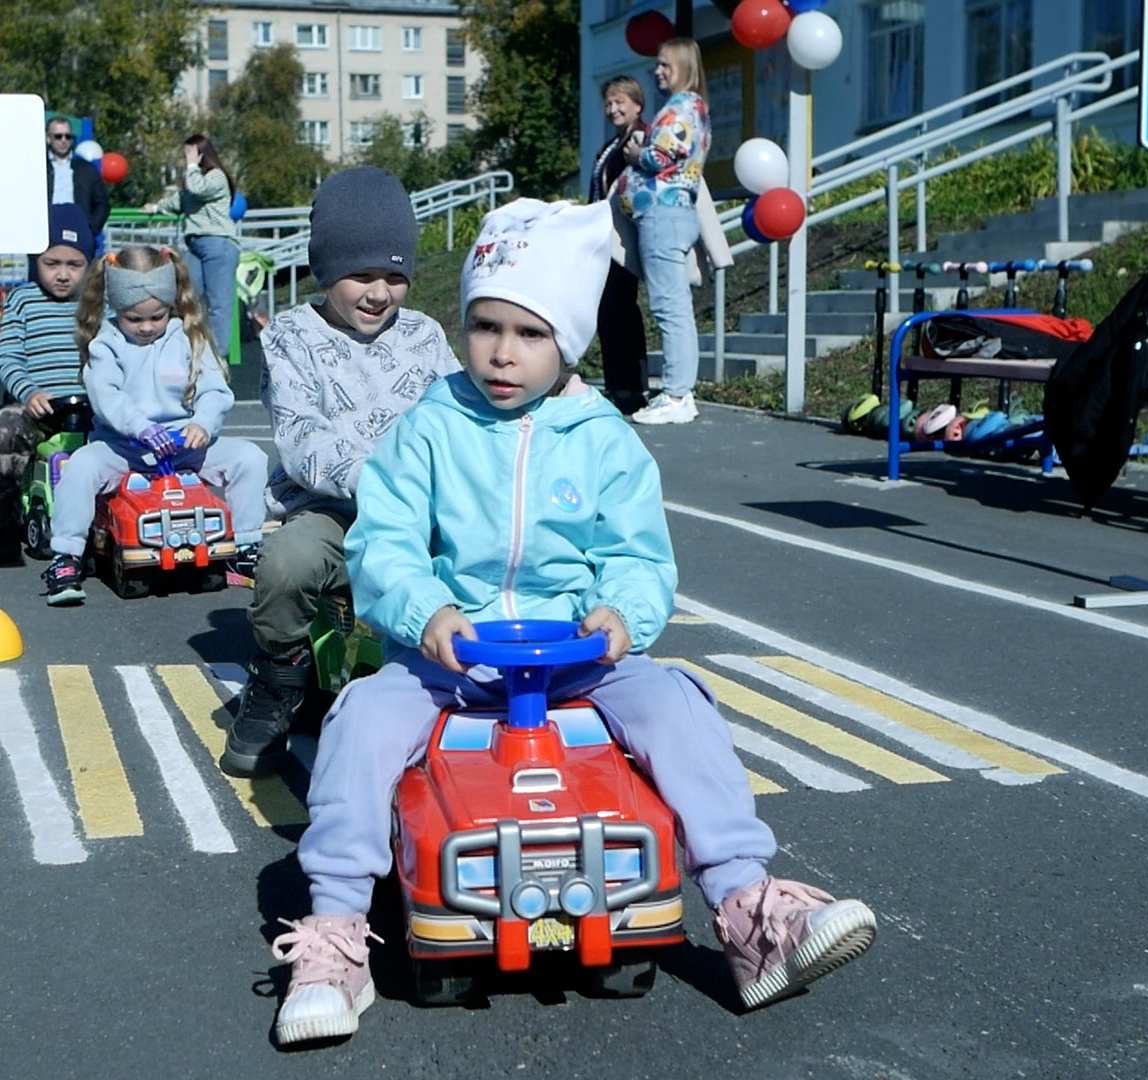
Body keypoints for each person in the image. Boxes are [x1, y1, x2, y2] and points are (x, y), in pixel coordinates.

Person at [267, 199, 876, 1045]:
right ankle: (335, 933)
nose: (503, 353)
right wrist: (427, 610)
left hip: (577, 657)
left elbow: (636, 555)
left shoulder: (602, 437)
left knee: (675, 703)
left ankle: (747, 910)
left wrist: (620, 616)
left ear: (569, 344)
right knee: (362, 718)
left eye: (531, 333)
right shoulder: (430, 428)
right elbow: (386, 544)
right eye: (485, 327)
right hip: (453, 659)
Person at [218, 166, 460, 778]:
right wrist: (386, 482)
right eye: (362, 276)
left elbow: (464, 412)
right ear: (326, 271)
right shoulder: (291, 338)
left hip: (423, 506)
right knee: (286, 563)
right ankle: (277, 676)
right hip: (333, 506)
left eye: (395, 276)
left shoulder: (426, 336)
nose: (380, 293)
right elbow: (303, 441)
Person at [40, 244, 269, 606]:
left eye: (156, 317)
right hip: (124, 449)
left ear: (170, 306)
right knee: (81, 465)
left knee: (250, 458)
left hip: (185, 449)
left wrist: (203, 424)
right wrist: (140, 427)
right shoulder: (106, 343)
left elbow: (215, 390)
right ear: (116, 307)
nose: (146, 327)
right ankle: (66, 556)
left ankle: (246, 546)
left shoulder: (188, 337)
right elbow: (106, 396)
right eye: (135, 319)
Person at [0, 205, 96, 564]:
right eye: (52, 263)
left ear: (88, 265)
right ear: (36, 261)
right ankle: (5, 526)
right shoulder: (22, 300)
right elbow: (9, 358)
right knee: (3, 429)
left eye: (73, 265)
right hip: (39, 409)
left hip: (91, 407)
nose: (62, 275)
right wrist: (29, 392)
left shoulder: (98, 305)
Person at [615, 38, 711, 426]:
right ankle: (677, 390)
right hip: (671, 214)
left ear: (683, 65)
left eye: (664, 65)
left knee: (670, 308)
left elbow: (660, 156)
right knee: (673, 307)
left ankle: (677, 394)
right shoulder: (694, 107)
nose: (657, 71)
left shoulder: (680, 106)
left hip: (663, 214)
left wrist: (637, 154)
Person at [142, 135, 241, 361]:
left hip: (218, 243)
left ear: (202, 154)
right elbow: (180, 201)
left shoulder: (216, 177)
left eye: (190, 153)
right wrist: (156, 207)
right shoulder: (192, 178)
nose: (186, 158)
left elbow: (197, 189)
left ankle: (219, 357)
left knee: (219, 304)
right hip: (195, 244)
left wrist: (192, 166)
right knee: (187, 298)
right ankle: (191, 348)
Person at [589, 76, 652, 416]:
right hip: (604, 238)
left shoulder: (641, 139)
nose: (613, 109)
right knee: (609, 310)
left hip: (624, 238)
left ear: (637, 104)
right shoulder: (611, 146)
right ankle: (618, 384)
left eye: (620, 102)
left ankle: (633, 386)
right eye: (609, 104)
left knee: (622, 308)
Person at [44, 115, 110, 243]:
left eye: (68, 136)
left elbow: (102, 204)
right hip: (47, 233)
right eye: (58, 136)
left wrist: (90, 230)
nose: (63, 140)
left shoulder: (86, 169)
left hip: (78, 233)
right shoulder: (38, 168)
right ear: (48, 139)